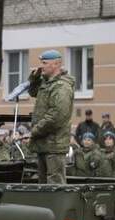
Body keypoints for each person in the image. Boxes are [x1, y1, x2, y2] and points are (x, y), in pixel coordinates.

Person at [27, 49, 75, 184]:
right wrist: (34, 78)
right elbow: (33, 92)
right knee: (43, 184)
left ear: (56, 64)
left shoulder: (62, 87)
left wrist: (35, 131)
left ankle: (57, 206)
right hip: (44, 143)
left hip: (54, 144)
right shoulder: (47, 83)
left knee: (55, 184)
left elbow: (57, 116)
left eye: (44, 63)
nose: (41, 66)